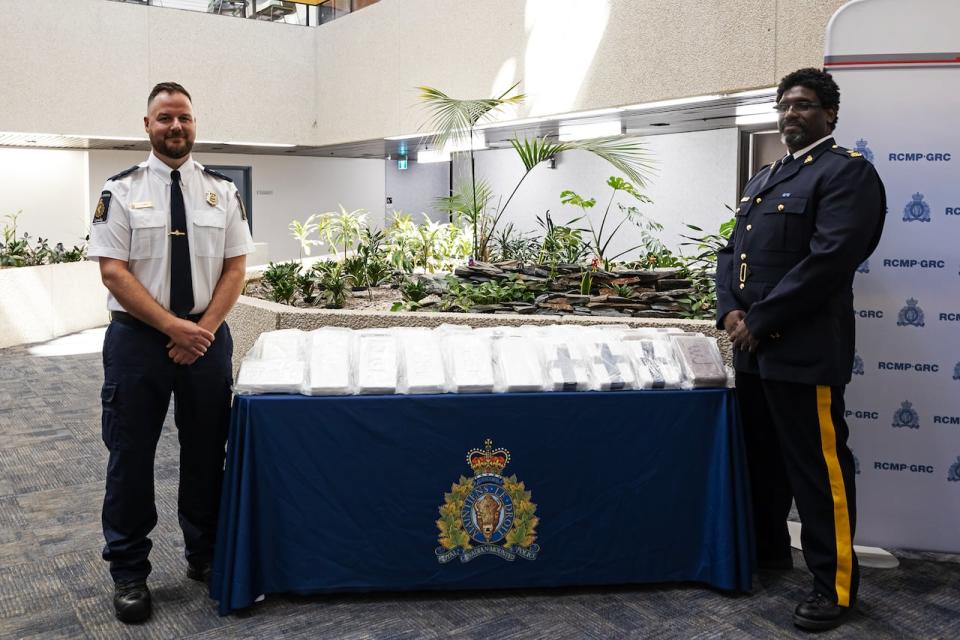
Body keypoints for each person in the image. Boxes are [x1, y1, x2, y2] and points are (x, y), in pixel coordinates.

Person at [715, 68, 885, 631]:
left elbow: (829, 261)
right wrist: (730, 310)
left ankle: (833, 588)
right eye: (785, 104)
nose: (792, 113)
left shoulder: (845, 174)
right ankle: (767, 555)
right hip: (754, 351)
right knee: (762, 467)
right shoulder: (765, 176)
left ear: (830, 114)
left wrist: (761, 319)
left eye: (805, 104)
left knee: (818, 474)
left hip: (803, 350)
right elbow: (731, 253)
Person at [88, 81, 254, 624]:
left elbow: (234, 267)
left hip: (206, 339)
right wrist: (172, 328)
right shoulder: (120, 190)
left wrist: (201, 329)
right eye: (164, 118)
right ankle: (130, 572)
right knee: (131, 456)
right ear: (147, 125)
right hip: (138, 341)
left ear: (194, 123)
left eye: (183, 117)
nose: (175, 127)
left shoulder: (222, 191)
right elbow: (114, 272)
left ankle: (204, 556)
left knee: (207, 451)